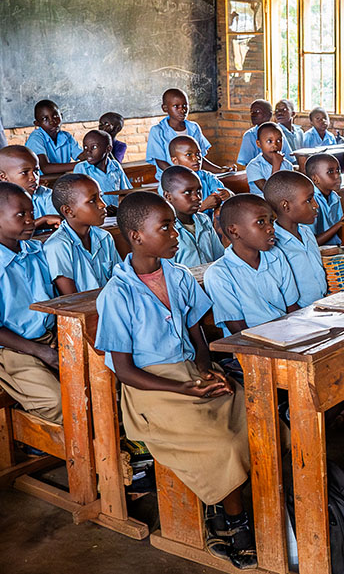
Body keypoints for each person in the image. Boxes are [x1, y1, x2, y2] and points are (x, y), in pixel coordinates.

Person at [94, 192, 255, 569]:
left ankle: (221, 506)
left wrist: (206, 368)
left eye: (173, 225)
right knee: (221, 443)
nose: (175, 233)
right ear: (136, 236)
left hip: (189, 373)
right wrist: (182, 387)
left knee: (252, 416)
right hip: (151, 389)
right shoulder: (117, 294)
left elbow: (196, 331)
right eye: (165, 227)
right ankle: (235, 521)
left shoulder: (179, 274)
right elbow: (125, 370)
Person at [0, 182, 61, 425]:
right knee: (58, 402)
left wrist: (56, 338)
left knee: (101, 382)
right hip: (12, 349)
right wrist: (40, 351)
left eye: (32, 212)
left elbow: (56, 300)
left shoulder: (37, 251)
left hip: (50, 338)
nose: (30, 220)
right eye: (21, 215)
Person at [204, 194, 302, 337]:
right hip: (250, 344)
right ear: (234, 231)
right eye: (261, 222)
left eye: (271, 221)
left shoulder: (276, 256)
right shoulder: (218, 274)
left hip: (287, 334)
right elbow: (238, 329)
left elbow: (292, 307)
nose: (271, 228)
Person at [45, 174, 120, 294]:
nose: (103, 204)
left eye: (100, 197)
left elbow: (119, 280)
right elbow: (72, 299)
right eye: (92, 201)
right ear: (68, 211)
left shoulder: (105, 237)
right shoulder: (58, 246)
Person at [263, 171, 328, 307]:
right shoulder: (273, 245)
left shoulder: (306, 232)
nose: (316, 205)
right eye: (309, 200)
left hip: (323, 304)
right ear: (286, 206)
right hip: (300, 313)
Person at [146, 88, 232, 179]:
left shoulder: (193, 128)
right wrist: (181, 177)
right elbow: (160, 162)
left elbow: (198, 158)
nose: (182, 110)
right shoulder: (158, 131)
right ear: (165, 108)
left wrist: (219, 170)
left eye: (185, 105)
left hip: (195, 178)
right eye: (176, 106)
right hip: (171, 180)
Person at [160, 166, 225, 267]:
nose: (197, 197)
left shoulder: (204, 220)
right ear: (168, 196)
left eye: (198, 191)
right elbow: (168, 270)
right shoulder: (165, 231)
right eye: (187, 192)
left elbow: (219, 258)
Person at [167, 136, 234, 217]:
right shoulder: (169, 182)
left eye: (198, 153)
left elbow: (224, 195)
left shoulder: (207, 177)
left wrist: (227, 195)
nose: (196, 158)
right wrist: (203, 206)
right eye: (189, 154)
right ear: (175, 160)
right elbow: (174, 215)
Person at [0, 145, 61, 229]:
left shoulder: (47, 196)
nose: (34, 178)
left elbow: (60, 225)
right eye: (24, 172)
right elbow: (7, 233)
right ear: (3, 177)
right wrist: (42, 220)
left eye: (36, 171)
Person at [73, 130, 132, 212]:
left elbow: (126, 191)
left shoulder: (115, 166)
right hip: (94, 215)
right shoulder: (81, 168)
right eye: (85, 147)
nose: (88, 152)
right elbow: (80, 200)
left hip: (114, 214)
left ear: (108, 149)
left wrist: (119, 209)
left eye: (94, 147)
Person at [306, 153, 344, 246]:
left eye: (338, 170)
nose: (337, 176)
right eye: (330, 172)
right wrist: (340, 223)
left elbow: (339, 231)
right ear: (315, 179)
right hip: (318, 251)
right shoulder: (310, 201)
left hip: (335, 247)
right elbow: (313, 243)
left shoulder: (334, 197)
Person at [25, 100, 85, 175]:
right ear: (37, 123)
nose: (52, 122)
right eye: (45, 119)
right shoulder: (36, 139)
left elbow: (83, 156)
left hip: (61, 179)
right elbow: (45, 168)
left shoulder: (66, 136)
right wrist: (80, 165)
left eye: (55, 116)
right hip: (43, 180)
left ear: (61, 116)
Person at [237, 99, 295, 166]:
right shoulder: (250, 135)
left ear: (269, 115)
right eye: (252, 112)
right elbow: (243, 165)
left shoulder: (278, 132)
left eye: (257, 111)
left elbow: (290, 159)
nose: (253, 115)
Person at [245, 123, 294, 197]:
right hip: (261, 203)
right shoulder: (254, 166)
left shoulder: (287, 164)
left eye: (279, 140)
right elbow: (270, 193)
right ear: (259, 144)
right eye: (269, 141)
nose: (275, 145)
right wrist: (276, 166)